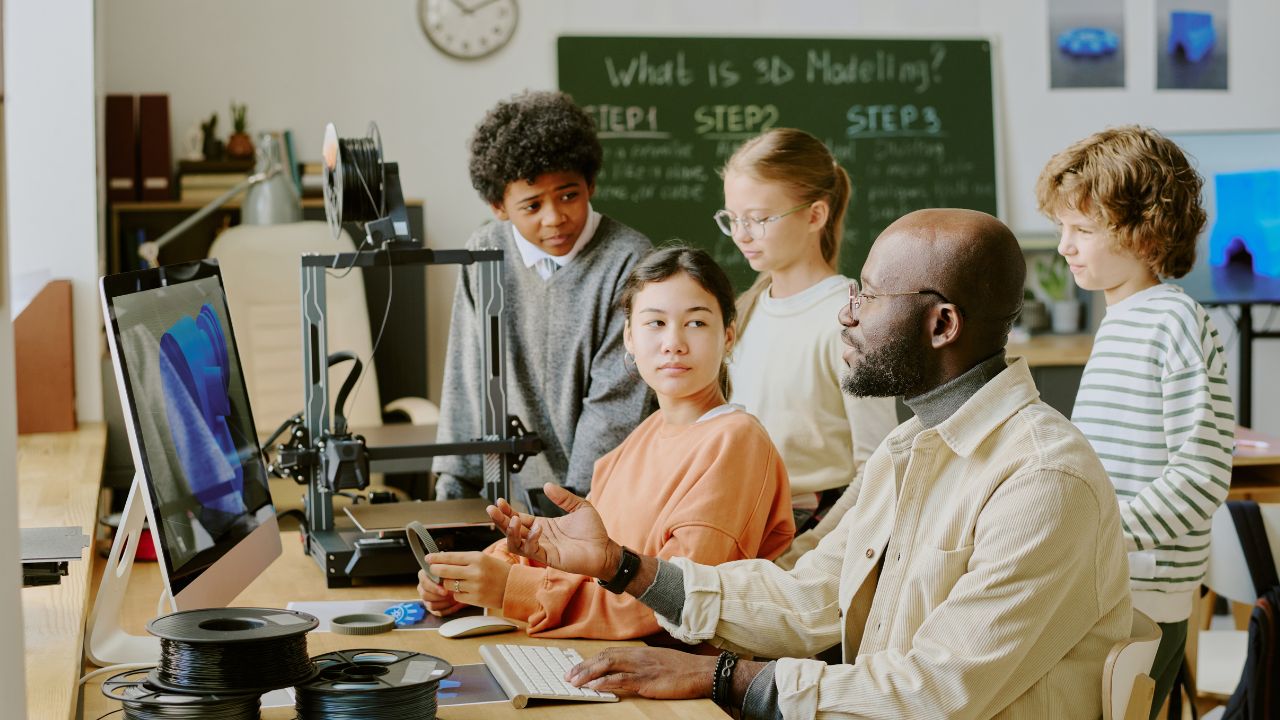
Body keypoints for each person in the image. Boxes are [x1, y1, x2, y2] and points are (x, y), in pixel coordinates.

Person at [486, 209, 1133, 719]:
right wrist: (625, 567)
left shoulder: (1044, 481)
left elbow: (938, 691)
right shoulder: (906, 451)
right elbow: (809, 595)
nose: (846, 314)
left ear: (941, 325)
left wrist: (724, 678)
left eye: (871, 296)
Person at [419, 247, 794, 640]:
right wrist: (474, 575)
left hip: (673, 680)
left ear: (729, 336)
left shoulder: (736, 442)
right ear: (629, 338)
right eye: (655, 323)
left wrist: (510, 588)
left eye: (696, 323)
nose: (674, 343)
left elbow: (672, 603)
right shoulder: (641, 438)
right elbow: (582, 562)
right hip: (600, 659)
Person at [1037, 125, 1235, 717]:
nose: (1064, 247)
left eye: (1083, 231)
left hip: (1146, 583)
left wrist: (1105, 536)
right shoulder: (1124, 318)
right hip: (1114, 577)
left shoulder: (1173, 320)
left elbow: (1201, 474)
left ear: (1147, 236)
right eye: (1062, 230)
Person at [433, 90, 653, 509]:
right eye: (532, 205)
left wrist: (572, 510)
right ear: (498, 205)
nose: (554, 218)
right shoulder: (484, 253)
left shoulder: (629, 259)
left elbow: (616, 403)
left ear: (590, 183)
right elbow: (465, 376)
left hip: (602, 504)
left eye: (569, 195)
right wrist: (453, 491)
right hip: (508, 505)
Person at [718, 128, 897, 535]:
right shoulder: (745, 312)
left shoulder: (850, 320)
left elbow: (879, 465)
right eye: (733, 219)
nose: (742, 235)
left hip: (814, 532)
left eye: (759, 219)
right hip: (745, 521)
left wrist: (814, 549)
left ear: (815, 214)